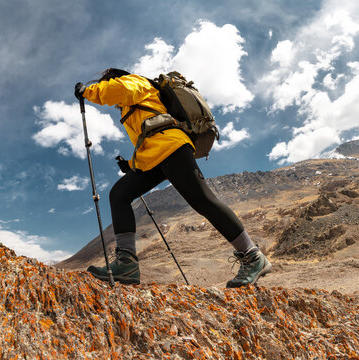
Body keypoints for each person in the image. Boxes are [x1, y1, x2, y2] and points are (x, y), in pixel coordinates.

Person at [74, 68, 271, 287]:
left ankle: (254, 257)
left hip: (172, 147)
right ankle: (126, 263)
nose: (114, 105)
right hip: (157, 155)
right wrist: (131, 165)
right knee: (119, 194)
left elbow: (119, 91)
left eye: (107, 87)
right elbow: (149, 137)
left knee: (203, 200)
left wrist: (87, 91)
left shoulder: (133, 82)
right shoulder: (134, 102)